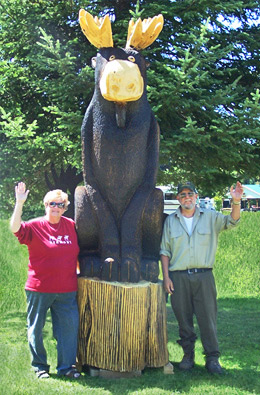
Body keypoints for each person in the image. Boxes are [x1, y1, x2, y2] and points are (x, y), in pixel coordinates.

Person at [160, 181, 243, 374]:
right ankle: (188, 355)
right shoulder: (171, 221)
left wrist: (236, 202)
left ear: (196, 197)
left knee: (208, 319)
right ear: (178, 199)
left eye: (190, 193)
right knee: (183, 318)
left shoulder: (210, 217)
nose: (186, 197)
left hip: (204, 276)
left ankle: (212, 359)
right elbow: (165, 251)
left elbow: (232, 221)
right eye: (182, 195)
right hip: (178, 277)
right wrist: (166, 277)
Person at [10, 182, 81, 379]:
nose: (56, 208)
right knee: (36, 329)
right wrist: (20, 203)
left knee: (68, 329)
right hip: (39, 289)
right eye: (52, 204)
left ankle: (67, 367)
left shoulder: (72, 226)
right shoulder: (35, 226)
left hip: (67, 290)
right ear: (45, 205)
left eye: (60, 205)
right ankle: (40, 366)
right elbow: (15, 228)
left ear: (65, 207)